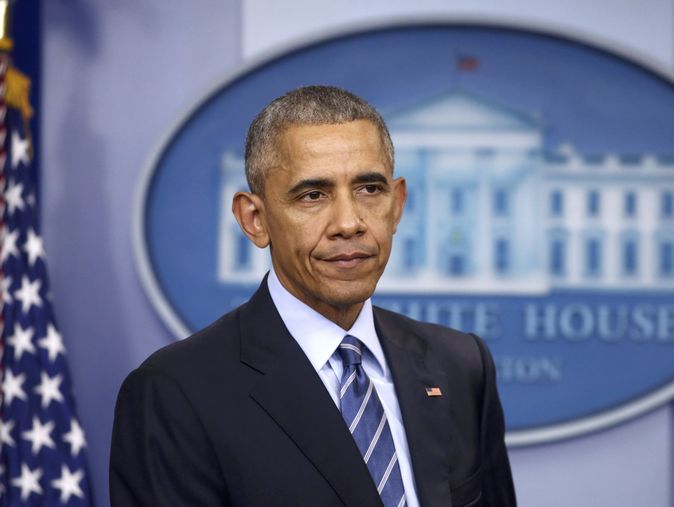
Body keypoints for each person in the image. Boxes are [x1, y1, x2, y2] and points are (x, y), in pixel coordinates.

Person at [110, 85, 516, 506]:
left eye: (369, 190)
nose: (349, 222)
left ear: (397, 206)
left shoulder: (459, 364)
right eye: (313, 195)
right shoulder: (176, 392)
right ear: (255, 220)